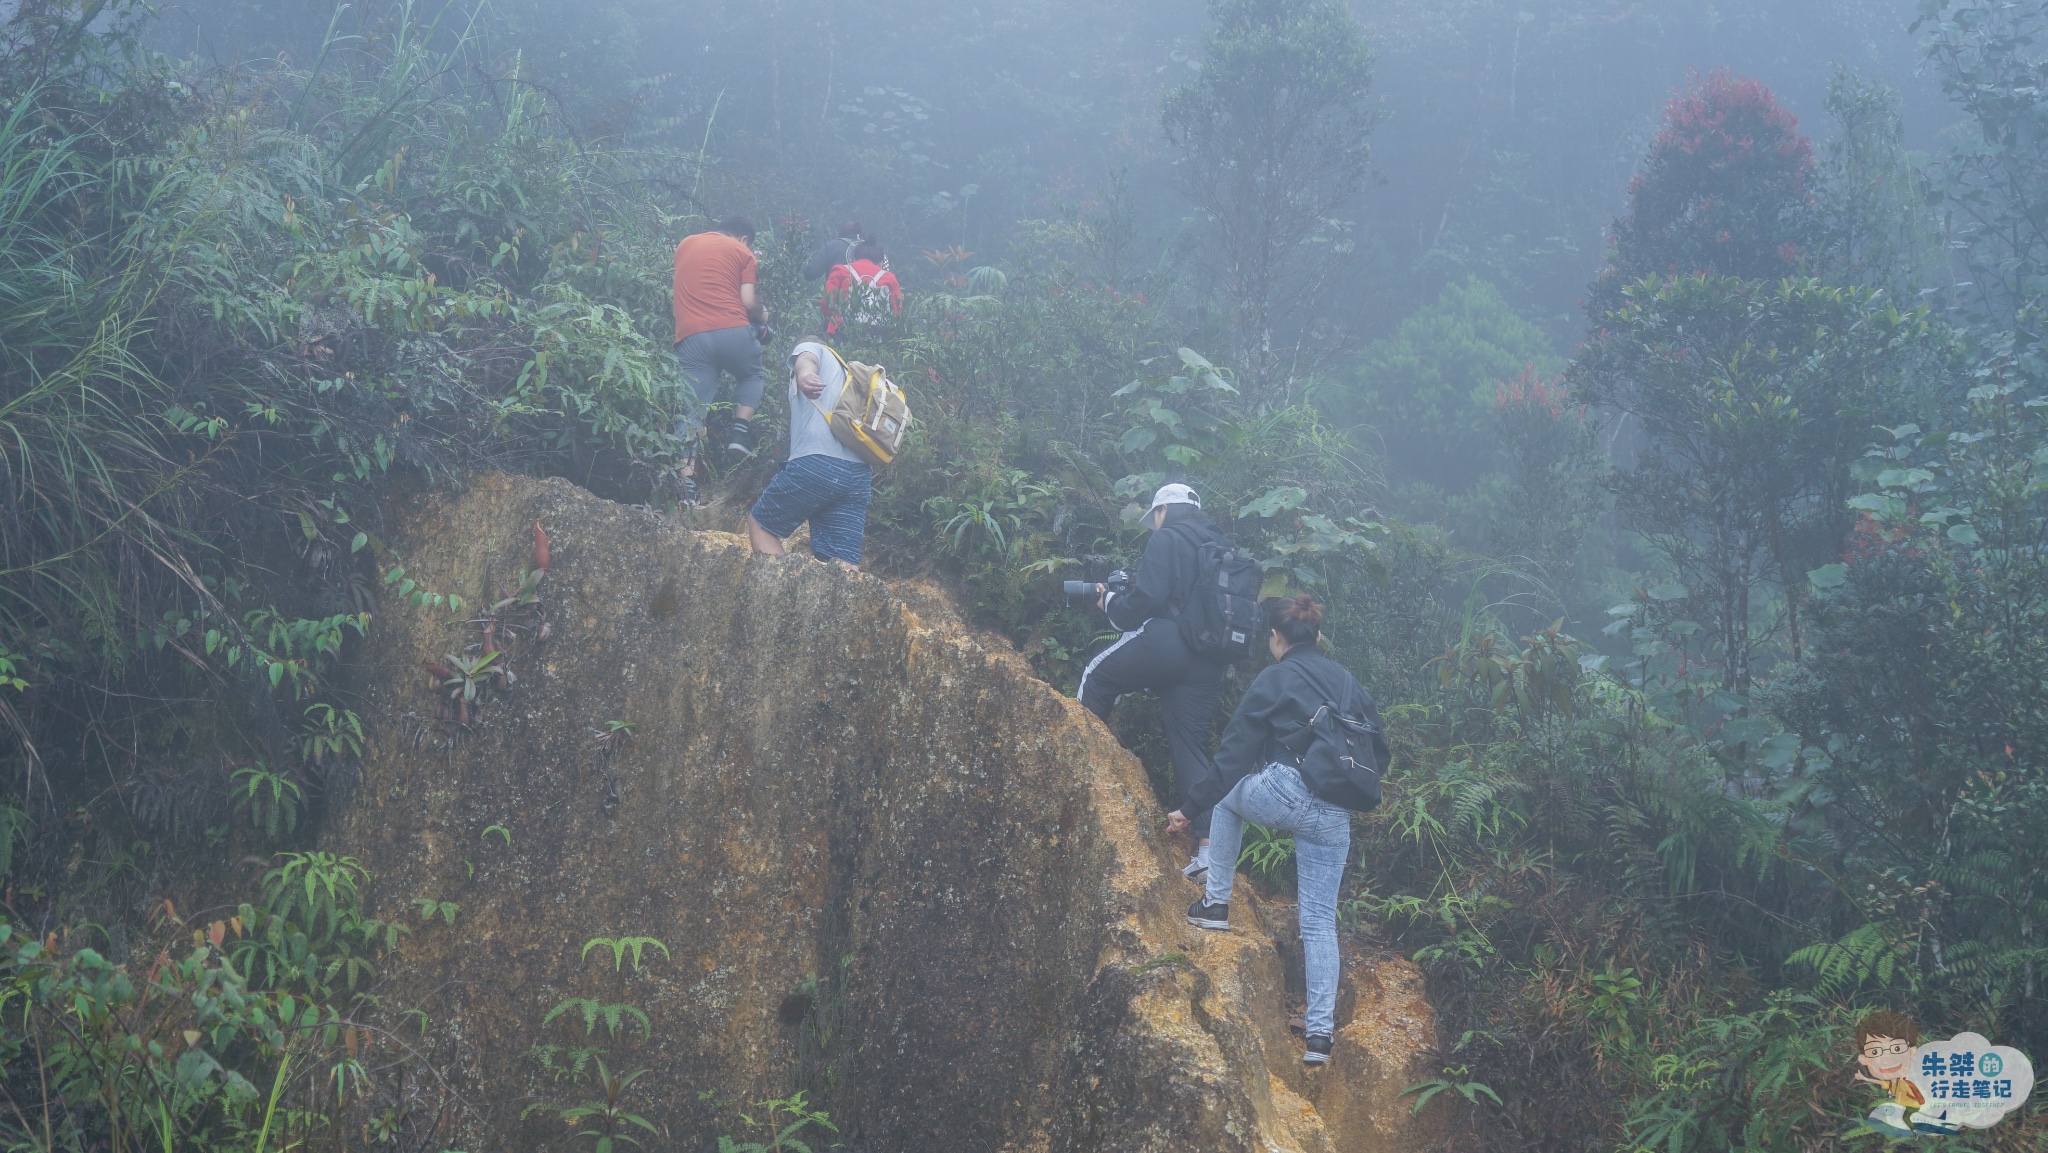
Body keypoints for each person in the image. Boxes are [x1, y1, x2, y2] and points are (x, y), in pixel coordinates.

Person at [1178, 594, 1381, 1067]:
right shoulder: (1348, 682)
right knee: (1318, 920)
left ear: (1276, 637)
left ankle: (1215, 903)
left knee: (1228, 793)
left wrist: (1190, 808)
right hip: (1336, 811)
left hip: (1288, 789)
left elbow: (1232, 755)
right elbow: (1379, 751)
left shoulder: (1276, 676)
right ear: (1318, 636)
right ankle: (1319, 1038)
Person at [1077, 483, 1237, 879]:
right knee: (1190, 745)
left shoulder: (1168, 538)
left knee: (1096, 676)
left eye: (1156, 517)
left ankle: (1078, 763)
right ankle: (1208, 853)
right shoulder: (1222, 547)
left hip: (1169, 641)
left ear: (1165, 510)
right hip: (1210, 659)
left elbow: (1145, 601)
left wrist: (1110, 603)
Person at [745, 335, 872, 567]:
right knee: (841, 564)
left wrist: (804, 375)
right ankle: (843, 604)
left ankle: (783, 598)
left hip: (819, 464)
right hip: (858, 475)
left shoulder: (812, 348)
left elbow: (807, 358)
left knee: (761, 524)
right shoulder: (848, 376)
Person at [673, 216, 770, 491]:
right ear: (744, 239)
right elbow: (748, 302)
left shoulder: (685, 244)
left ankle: (685, 485)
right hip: (732, 330)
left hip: (690, 337)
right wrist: (764, 318)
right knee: (752, 374)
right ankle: (740, 431)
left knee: (692, 410)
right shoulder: (743, 252)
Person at [820, 239, 902, 335]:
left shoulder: (840, 270)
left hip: (841, 331)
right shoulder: (890, 278)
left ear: (854, 259)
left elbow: (827, 301)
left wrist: (831, 322)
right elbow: (896, 311)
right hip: (878, 335)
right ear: (881, 263)